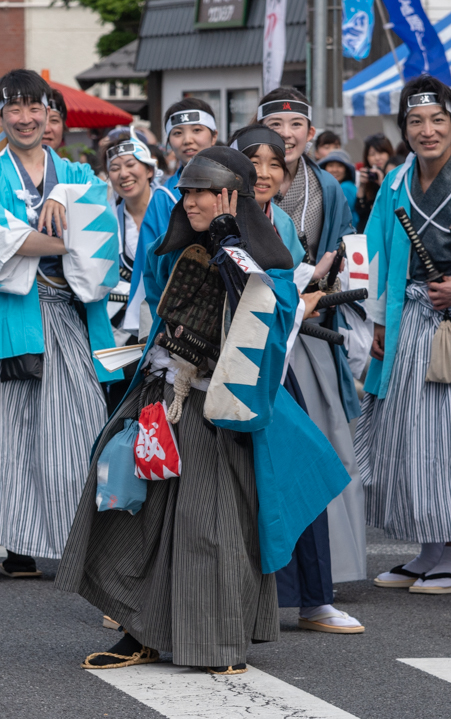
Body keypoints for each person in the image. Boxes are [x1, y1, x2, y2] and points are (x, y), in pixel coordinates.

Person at [57, 146, 349, 673]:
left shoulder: (264, 254)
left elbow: (272, 316)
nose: (190, 201)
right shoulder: (172, 245)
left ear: (231, 196)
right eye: (187, 191)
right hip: (160, 388)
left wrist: (230, 251)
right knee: (132, 509)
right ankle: (137, 628)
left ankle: (214, 640)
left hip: (218, 405)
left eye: (202, 192)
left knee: (207, 525)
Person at [0, 69, 121, 578]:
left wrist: (64, 204)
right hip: (11, 319)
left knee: (77, 431)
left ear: (50, 114)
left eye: (37, 109)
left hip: (68, 316)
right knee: (10, 438)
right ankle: (20, 543)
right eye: (16, 108)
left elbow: (104, 240)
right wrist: (71, 231)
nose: (27, 119)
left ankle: (76, 540)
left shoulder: (78, 176)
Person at [356, 76, 451, 594]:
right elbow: (376, 257)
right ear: (403, 128)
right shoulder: (394, 184)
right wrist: (377, 319)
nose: (427, 130)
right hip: (406, 323)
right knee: (407, 437)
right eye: (415, 121)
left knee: (449, 437)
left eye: (438, 120)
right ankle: (426, 550)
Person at [234, 123, 365, 634]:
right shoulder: (220, 220)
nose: (264, 174)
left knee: (308, 465)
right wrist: (299, 299)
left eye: (274, 164)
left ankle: (314, 597)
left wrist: (304, 291)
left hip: (274, 367)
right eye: (254, 163)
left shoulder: (281, 227)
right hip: (226, 371)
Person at [122, 100, 214, 338]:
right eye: (177, 133)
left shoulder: (235, 185)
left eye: (197, 130)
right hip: (176, 313)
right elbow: (147, 265)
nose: (187, 139)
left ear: (214, 136)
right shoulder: (164, 197)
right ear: (168, 142)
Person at [103, 130, 157, 412]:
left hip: (163, 330)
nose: (123, 174)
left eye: (131, 164)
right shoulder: (105, 217)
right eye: (114, 167)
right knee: (120, 410)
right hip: (117, 336)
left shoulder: (173, 209)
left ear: (149, 169)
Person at [355, 133, 395, 231]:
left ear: (389, 153)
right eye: (372, 154)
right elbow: (361, 212)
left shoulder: (396, 176)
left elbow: (392, 207)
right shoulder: (369, 178)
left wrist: (382, 183)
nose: (377, 158)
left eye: (381, 153)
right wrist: (362, 186)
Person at [317, 151, 360, 228]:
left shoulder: (345, 188)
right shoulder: (333, 187)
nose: (334, 170)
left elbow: (338, 216)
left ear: (346, 170)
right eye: (330, 165)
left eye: (339, 166)